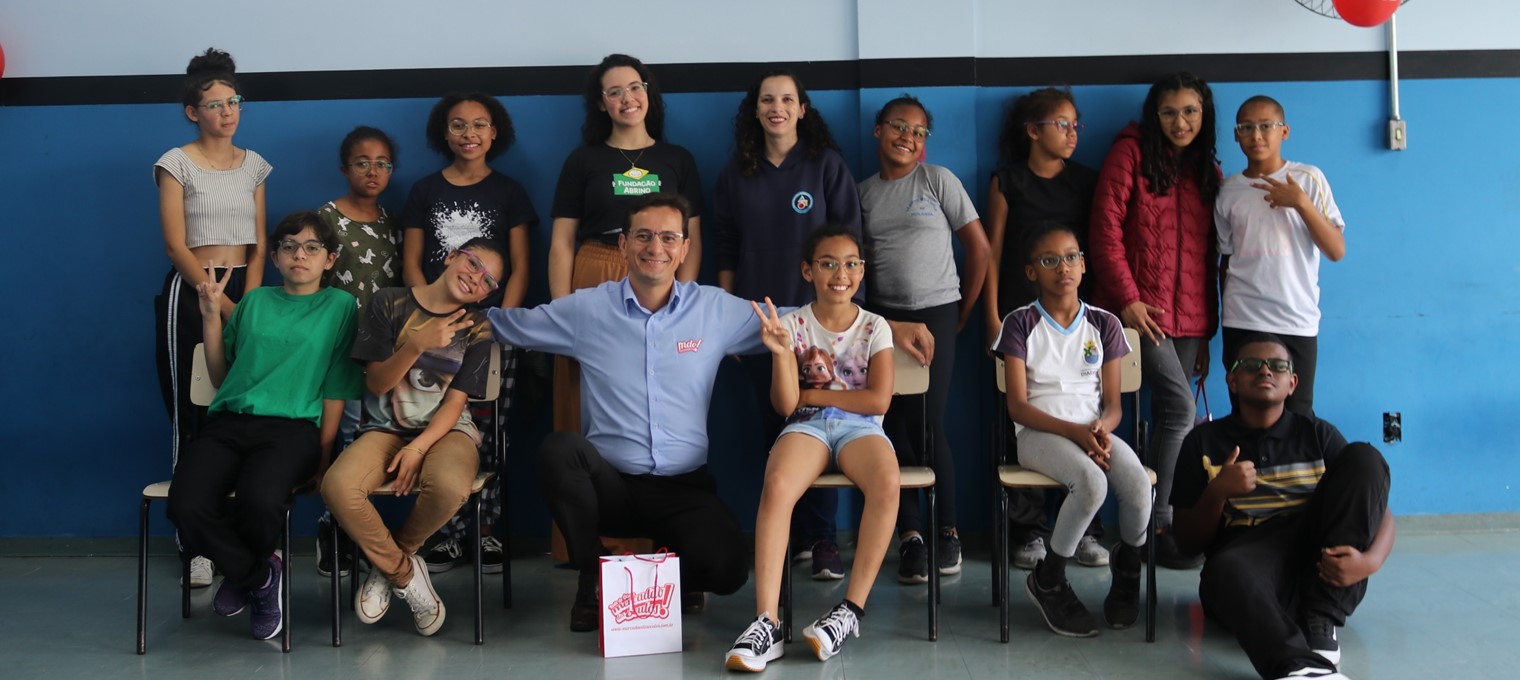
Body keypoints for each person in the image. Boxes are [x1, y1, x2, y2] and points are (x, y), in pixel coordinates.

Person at [486, 194, 759, 634]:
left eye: (669, 237)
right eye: (644, 236)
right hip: (609, 487)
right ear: (623, 245)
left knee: (729, 569)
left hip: (684, 490)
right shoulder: (587, 309)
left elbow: (795, 323)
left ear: (685, 249)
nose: (656, 248)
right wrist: (421, 323)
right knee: (559, 450)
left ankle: (652, 578)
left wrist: (883, 328)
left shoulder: (714, 310)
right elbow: (508, 324)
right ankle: (595, 571)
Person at [166, 211, 362, 641]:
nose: (300, 255)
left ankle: (241, 575)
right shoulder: (254, 302)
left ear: (329, 260)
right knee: (184, 504)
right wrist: (210, 316)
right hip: (230, 422)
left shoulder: (341, 307)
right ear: (274, 257)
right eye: (289, 246)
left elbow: (336, 386)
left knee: (260, 498)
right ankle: (259, 577)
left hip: (293, 430)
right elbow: (220, 376)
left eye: (312, 248)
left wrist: (326, 458)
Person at [725, 225, 899, 671]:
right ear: (808, 270)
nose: (841, 273)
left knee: (887, 482)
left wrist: (816, 394)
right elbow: (786, 404)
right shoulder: (792, 324)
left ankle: (849, 612)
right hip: (805, 427)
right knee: (779, 483)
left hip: (861, 427)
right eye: (828, 263)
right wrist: (781, 353)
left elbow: (877, 400)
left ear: (861, 271)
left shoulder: (875, 326)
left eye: (851, 264)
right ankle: (767, 622)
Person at [1171, 334, 1393, 680]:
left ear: (1292, 383)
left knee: (1365, 458)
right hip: (1248, 563)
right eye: (1251, 365)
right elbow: (1186, 543)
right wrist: (1218, 492)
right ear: (1232, 380)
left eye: (1277, 366)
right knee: (1224, 570)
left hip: (1316, 562)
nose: (1265, 371)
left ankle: (1320, 618)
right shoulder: (1203, 441)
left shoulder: (1317, 434)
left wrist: (1370, 561)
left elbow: (1377, 509)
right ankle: (1299, 667)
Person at [713, 69, 862, 581]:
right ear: (755, 110)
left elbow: (851, 245)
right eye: (766, 100)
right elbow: (727, 246)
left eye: (787, 99)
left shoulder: (826, 166)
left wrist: (844, 318)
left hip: (820, 326)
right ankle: (788, 535)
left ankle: (822, 540)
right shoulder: (737, 172)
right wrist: (734, 317)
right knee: (775, 431)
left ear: (802, 109)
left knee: (820, 424)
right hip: (765, 327)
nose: (777, 107)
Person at [321, 238, 505, 637]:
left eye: (488, 279)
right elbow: (376, 384)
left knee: (450, 486)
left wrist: (419, 447)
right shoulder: (388, 301)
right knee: (337, 486)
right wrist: (419, 342)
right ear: (451, 256)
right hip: (384, 428)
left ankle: (390, 563)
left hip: (447, 431)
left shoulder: (479, 326)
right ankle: (405, 575)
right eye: (473, 264)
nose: (477, 279)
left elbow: (455, 403)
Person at [1088, 72, 1221, 569]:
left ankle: (1153, 525)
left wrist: (1207, 330)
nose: (1180, 122)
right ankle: (1155, 525)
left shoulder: (1207, 170)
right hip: (1136, 314)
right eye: (1169, 112)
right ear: (1154, 116)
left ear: (1203, 116)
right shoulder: (1130, 154)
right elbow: (1103, 232)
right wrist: (1127, 300)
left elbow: (1210, 256)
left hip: (1189, 318)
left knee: (1171, 418)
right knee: (1181, 412)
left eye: (1190, 111)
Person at [995, 222, 1152, 637]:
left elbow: (1114, 404)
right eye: (1049, 260)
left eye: (1070, 257)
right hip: (1038, 435)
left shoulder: (1105, 323)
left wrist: (1101, 429)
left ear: (1083, 265)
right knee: (1092, 484)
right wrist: (1074, 433)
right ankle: (1048, 579)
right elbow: (1018, 405)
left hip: (1093, 432)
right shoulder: (1019, 323)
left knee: (1137, 484)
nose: (1062, 267)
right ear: (1032, 272)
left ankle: (1128, 570)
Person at [401, 92, 536, 574]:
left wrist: (503, 323)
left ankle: (486, 533)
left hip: (490, 333)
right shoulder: (424, 191)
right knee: (445, 430)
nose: (469, 134)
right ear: (445, 133)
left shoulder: (510, 192)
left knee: (493, 434)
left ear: (494, 132)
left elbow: (519, 267)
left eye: (480, 125)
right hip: (435, 334)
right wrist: (429, 319)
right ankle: (446, 535)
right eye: (458, 125)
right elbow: (412, 263)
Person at [858, 94, 990, 583]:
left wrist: (962, 311)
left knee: (931, 424)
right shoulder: (862, 193)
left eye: (917, 133)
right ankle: (910, 536)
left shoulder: (937, 181)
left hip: (937, 313)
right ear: (878, 131)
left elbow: (979, 248)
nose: (907, 138)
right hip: (883, 320)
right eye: (898, 127)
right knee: (892, 426)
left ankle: (948, 531)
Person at [153, 48, 271, 588]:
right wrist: (220, 301)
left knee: (240, 412)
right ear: (191, 112)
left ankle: (236, 533)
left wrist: (248, 303)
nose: (227, 111)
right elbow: (176, 244)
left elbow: (261, 240)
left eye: (234, 102)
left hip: (245, 290)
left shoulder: (253, 164)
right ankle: (195, 544)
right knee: (192, 410)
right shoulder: (175, 162)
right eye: (214, 104)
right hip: (193, 291)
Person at [548, 54, 705, 441]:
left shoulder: (678, 159)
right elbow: (561, 243)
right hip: (596, 270)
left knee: (654, 383)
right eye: (615, 92)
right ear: (602, 103)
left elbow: (693, 240)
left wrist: (681, 300)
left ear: (648, 93)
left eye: (635, 87)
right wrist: (562, 312)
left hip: (659, 275)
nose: (628, 98)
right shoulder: (582, 160)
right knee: (586, 386)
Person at [983, 87, 1107, 570]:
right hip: (1022, 322)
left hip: (1077, 326)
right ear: (1033, 131)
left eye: (1076, 124)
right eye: (1062, 124)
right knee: (1024, 420)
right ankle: (1030, 530)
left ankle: (1087, 528)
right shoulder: (1007, 181)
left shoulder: (1086, 181)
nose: (1072, 132)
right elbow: (991, 251)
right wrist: (992, 316)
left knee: (1084, 411)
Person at [1216, 95, 1346, 416]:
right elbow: (1225, 261)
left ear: (1284, 132)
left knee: (1298, 417)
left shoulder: (1307, 179)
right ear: (1235, 135)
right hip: (1243, 320)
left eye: (1266, 126)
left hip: (1295, 320)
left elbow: (1336, 250)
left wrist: (1300, 203)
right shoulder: (1228, 190)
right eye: (1246, 127)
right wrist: (1224, 316)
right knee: (1246, 415)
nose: (1256, 135)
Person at [313, 125, 402, 579]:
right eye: (363, 162)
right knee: (344, 434)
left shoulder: (392, 222)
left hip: (382, 353)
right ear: (345, 167)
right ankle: (333, 530)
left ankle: (363, 531)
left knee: (375, 437)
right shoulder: (325, 221)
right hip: (340, 348)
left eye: (383, 163)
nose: (373, 171)